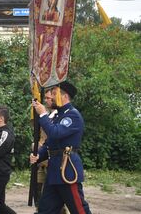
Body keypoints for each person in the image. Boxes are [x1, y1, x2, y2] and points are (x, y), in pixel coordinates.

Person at [31, 81, 91, 214]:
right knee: (45, 209)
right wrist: (38, 155)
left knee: (79, 209)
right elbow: (50, 144)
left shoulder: (72, 115)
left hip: (67, 169)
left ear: (64, 96)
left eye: (54, 94)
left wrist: (42, 114)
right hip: (54, 172)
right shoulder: (58, 115)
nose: (51, 97)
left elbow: (55, 133)